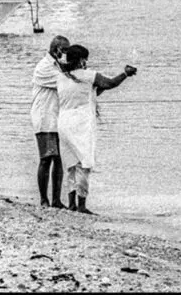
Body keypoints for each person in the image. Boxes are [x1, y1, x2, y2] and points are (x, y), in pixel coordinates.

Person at [56, 44, 138, 214]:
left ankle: (71, 204)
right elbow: (110, 83)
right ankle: (82, 205)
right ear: (81, 60)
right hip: (81, 123)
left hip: (63, 122)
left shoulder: (62, 77)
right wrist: (125, 74)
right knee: (85, 163)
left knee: (71, 164)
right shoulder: (87, 75)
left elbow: (88, 92)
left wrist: (97, 87)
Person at [31, 35, 71, 208]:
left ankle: (56, 200)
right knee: (47, 158)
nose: (66, 55)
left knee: (60, 159)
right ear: (56, 50)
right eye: (65, 51)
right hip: (45, 117)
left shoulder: (57, 66)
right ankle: (44, 199)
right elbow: (65, 83)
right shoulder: (44, 67)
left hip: (58, 117)